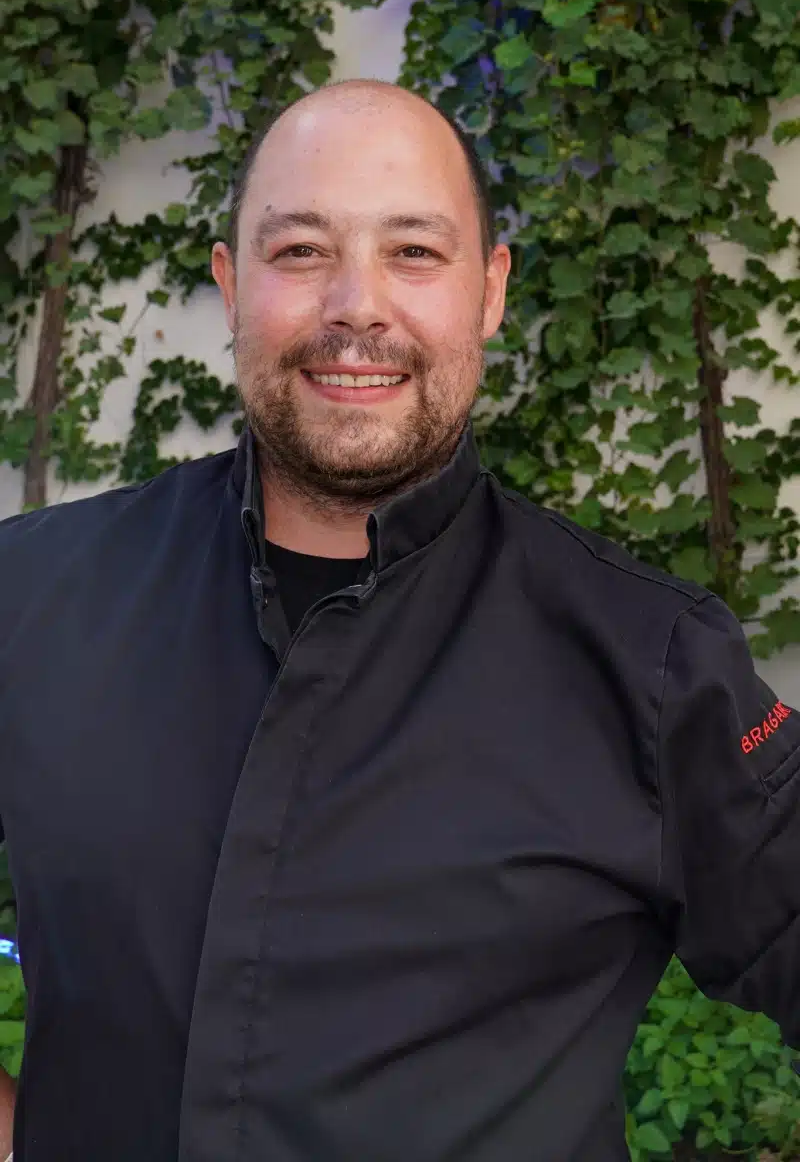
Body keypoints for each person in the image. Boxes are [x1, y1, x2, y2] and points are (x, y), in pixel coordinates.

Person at [0, 77, 798, 1162]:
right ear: (231, 285)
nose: (356, 307)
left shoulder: (649, 662)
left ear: (489, 292)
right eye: (300, 251)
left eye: (413, 251)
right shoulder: (36, 594)